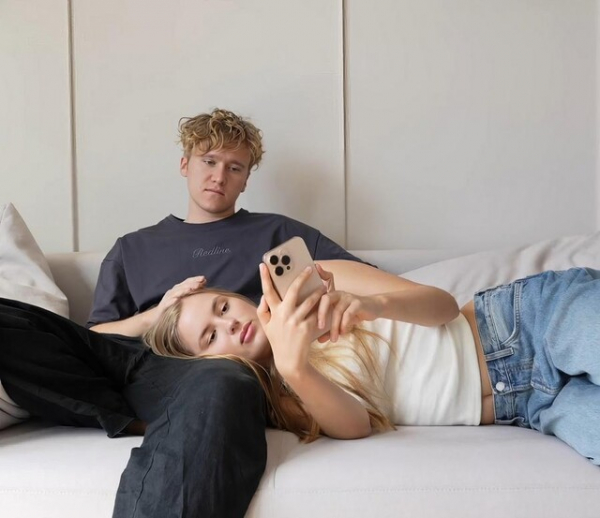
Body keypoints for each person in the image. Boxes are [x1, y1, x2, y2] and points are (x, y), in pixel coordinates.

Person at [81, 108, 368, 517]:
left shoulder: (277, 233)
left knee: (220, 378)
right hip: (152, 370)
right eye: (209, 161)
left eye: (235, 168)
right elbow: (94, 344)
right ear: (185, 164)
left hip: (236, 373)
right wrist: (153, 316)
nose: (219, 176)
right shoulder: (132, 248)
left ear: (246, 179)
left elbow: (359, 280)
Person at [144, 257, 600, 465]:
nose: (229, 324)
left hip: (526, 321)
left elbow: (442, 306)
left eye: (223, 307)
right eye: (211, 336)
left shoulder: (324, 276)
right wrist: (294, 365)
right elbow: (357, 425)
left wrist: (372, 305)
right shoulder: (279, 398)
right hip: (530, 406)